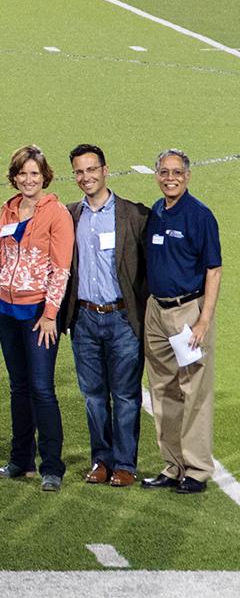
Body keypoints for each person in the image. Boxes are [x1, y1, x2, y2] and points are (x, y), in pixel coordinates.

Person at [60, 144, 149, 488]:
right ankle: (101, 460)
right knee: (94, 396)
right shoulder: (70, 216)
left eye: (91, 169)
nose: (86, 177)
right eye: (79, 172)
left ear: (105, 170)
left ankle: (125, 464)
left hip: (122, 318)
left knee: (125, 396)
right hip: (84, 319)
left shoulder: (133, 215)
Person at [0, 145, 74, 492]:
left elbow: (61, 269)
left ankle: (51, 467)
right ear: (14, 177)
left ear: (44, 176)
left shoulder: (57, 213)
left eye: (34, 174)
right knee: (18, 387)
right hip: (6, 310)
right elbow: (4, 259)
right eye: (22, 174)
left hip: (39, 313)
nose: (28, 180)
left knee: (42, 389)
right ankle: (20, 460)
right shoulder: (7, 209)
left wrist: (51, 314)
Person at [140, 149, 221, 495]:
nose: (170, 178)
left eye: (176, 172)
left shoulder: (200, 215)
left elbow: (213, 270)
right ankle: (173, 465)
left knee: (194, 392)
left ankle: (197, 470)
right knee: (163, 390)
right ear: (156, 175)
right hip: (157, 312)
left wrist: (204, 320)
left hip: (188, 313)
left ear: (187, 176)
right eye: (164, 172)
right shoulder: (157, 211)